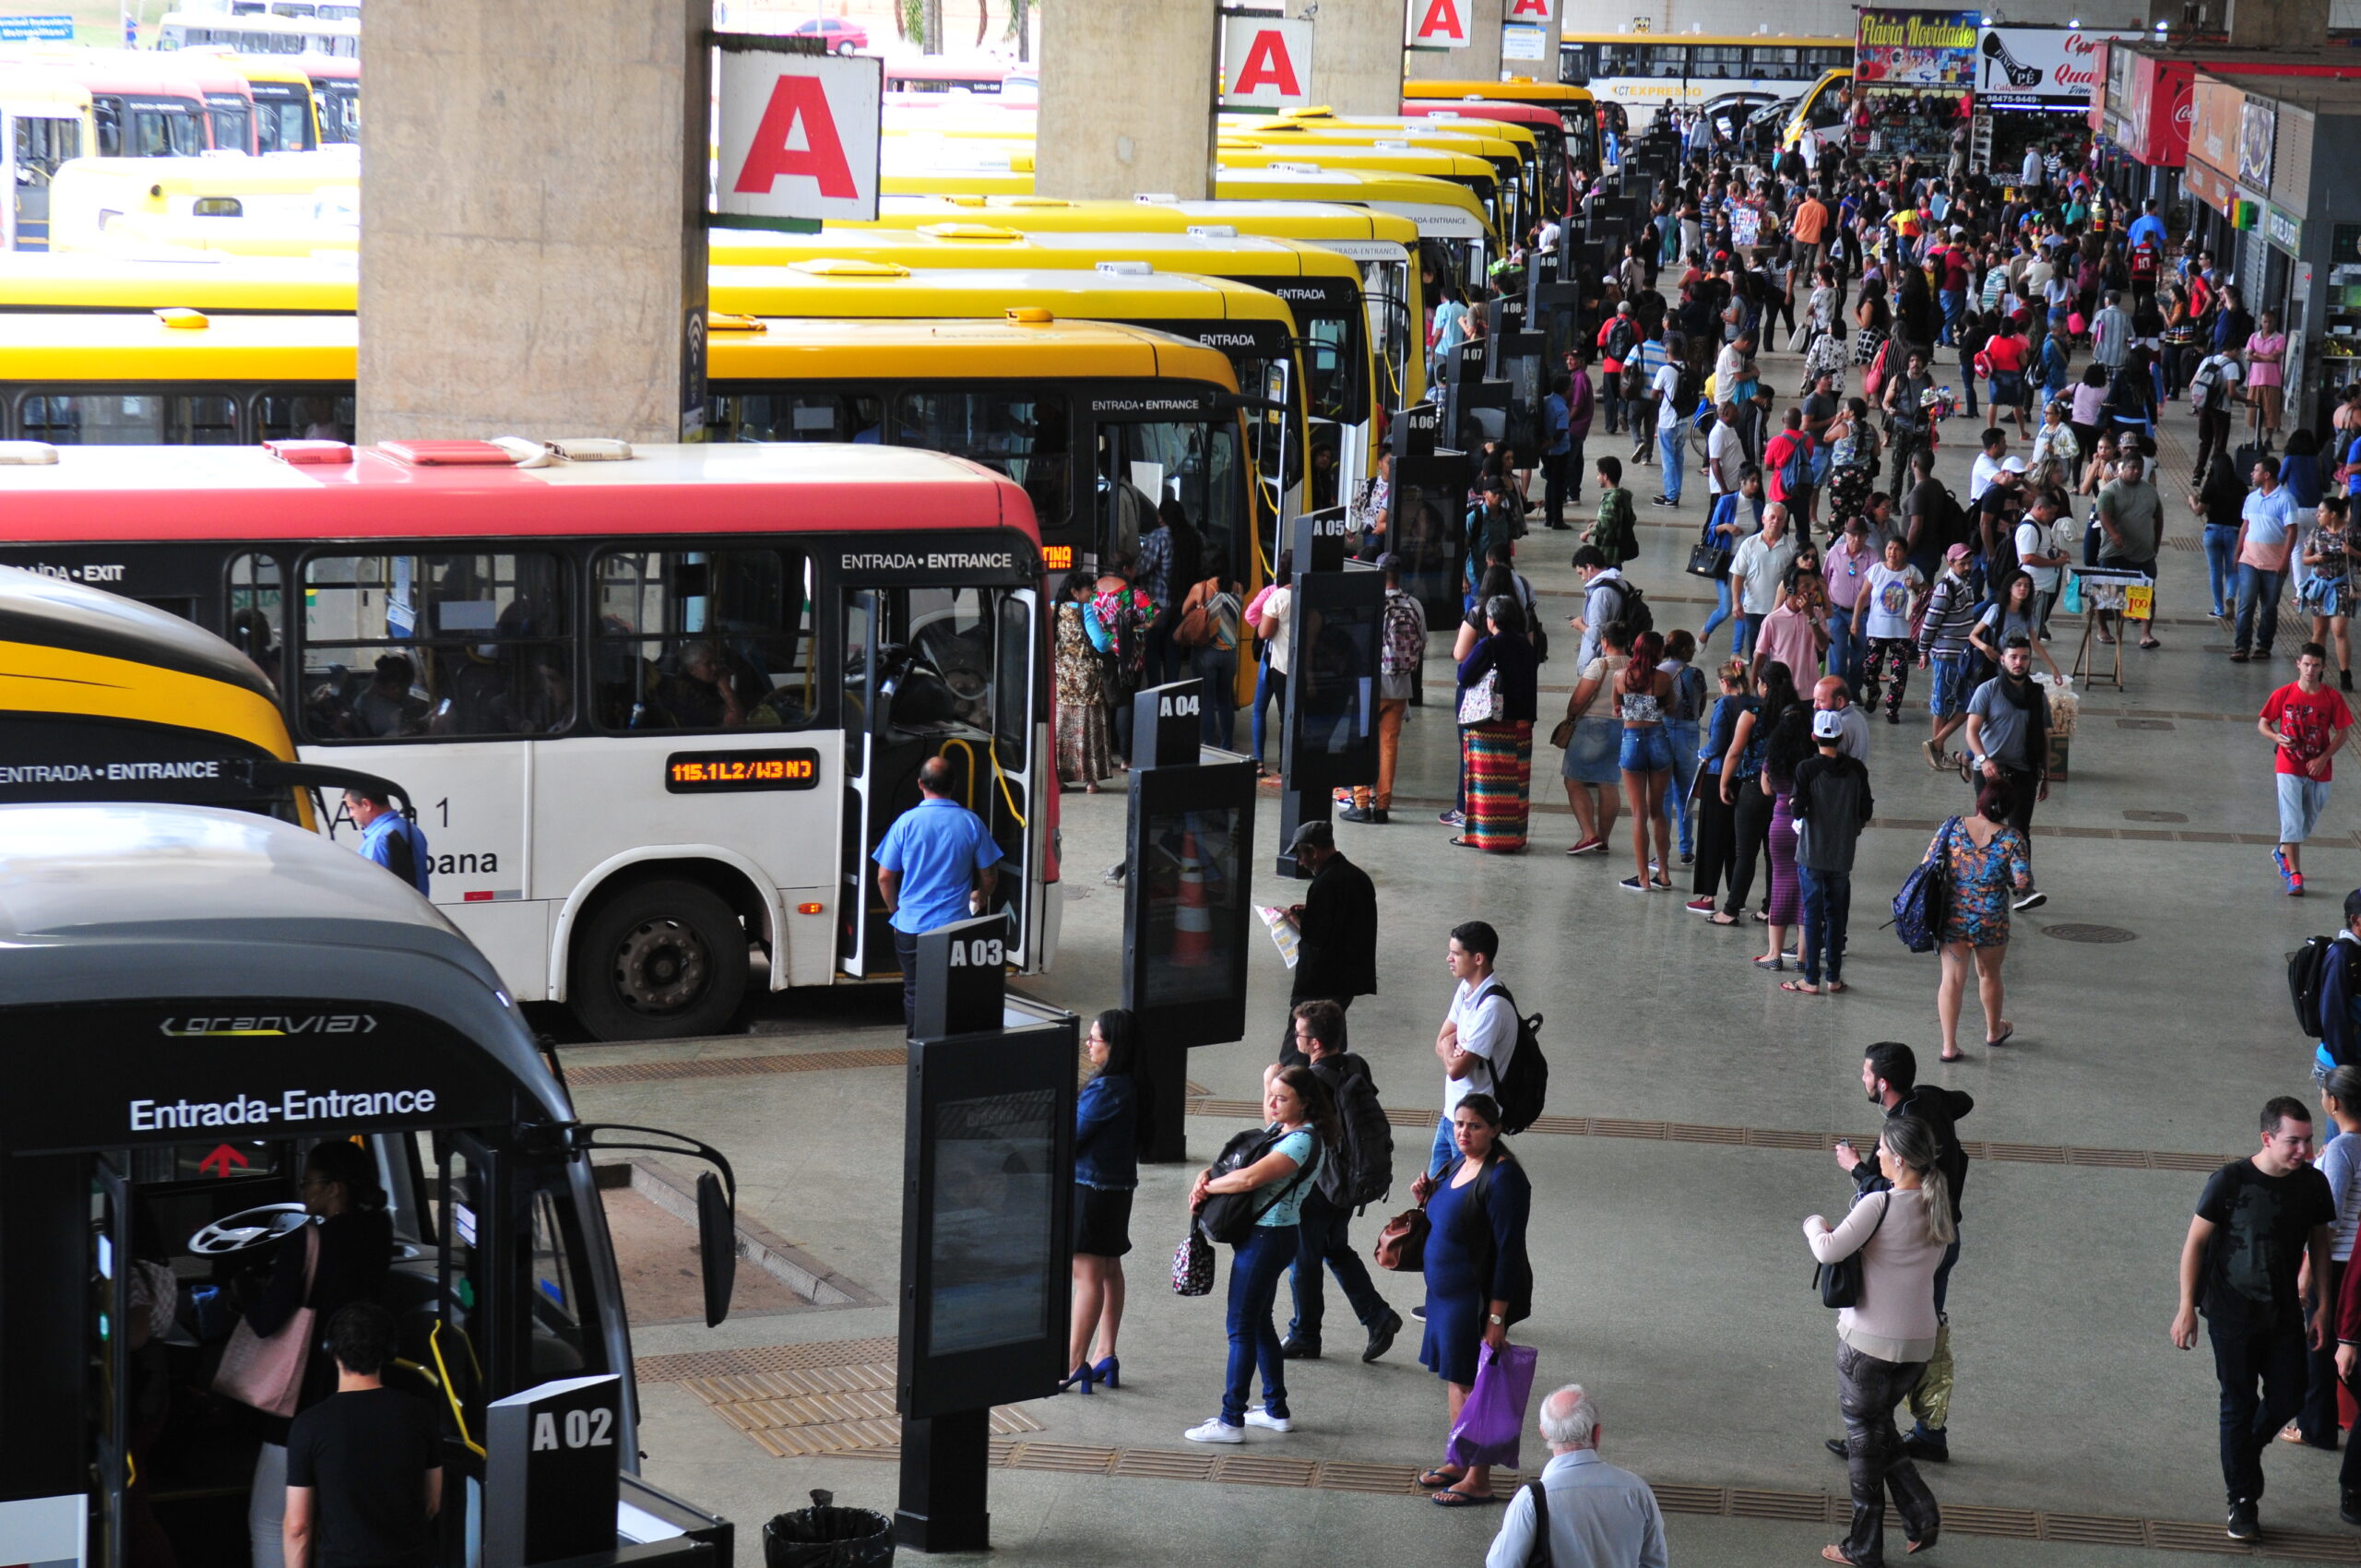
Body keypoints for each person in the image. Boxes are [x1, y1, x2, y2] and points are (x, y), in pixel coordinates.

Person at [2172, 1098, 2336, 1544]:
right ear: (2267, 1139)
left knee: (2289, 1396)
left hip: (2283, 1311)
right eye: (2293, 1142)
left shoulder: (2313, 1185)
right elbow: (2195, 1245)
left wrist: (2323, 1306)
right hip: (2231, 1314)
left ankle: (2246, 1450)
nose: (2304, 1150)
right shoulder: (2229, 1182)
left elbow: (2319, 1245)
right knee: (2238, 1402)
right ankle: (2242, 1502)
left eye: (2307, 1140)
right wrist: (2187, 1306)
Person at [1803, 1115, 1952, 1566]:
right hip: (1918, 1345)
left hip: (1867, 1346)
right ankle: (1921, 1515)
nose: (1877, 1156)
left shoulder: (1879, 1204)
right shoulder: (1938, 1207)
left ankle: (1864, 1546)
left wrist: (1813, 1223)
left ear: (1900, 1158)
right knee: (1879, 1427)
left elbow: (1828, 1249)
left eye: (1882, 1150)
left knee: (1864, 1440)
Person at [243, 1142, 395, 1568]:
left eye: (308, 1181)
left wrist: (243, 1287)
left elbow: (266, 1320)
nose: (303, 1189)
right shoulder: (379, 1230)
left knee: (273, 1522)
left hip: (299, 1396)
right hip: (354, 1389)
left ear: (335, 1188)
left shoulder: (307, 1241)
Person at [1833, 1041, 1976, 1465]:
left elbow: (1885, 1194)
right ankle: (1923, 1431)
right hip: (1944, 1235)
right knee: (1928, 1330)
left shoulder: (1897, 1139)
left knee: (1891, 1341)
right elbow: (1964, 1101)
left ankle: (1879, 1432)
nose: (1861, 1079)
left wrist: (1856, 1167)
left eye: (1865, 1073)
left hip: (1916, 1242)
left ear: (1882, 1083)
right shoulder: (1928, 1099)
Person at [1184, 1065, 1335, 1444]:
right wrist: (1208, 1175)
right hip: (1269, 1236)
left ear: (1306, 1103)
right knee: (1260, 1321)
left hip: (1268, 1238)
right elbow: (1246, 1160)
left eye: (1282, 1098)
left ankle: (1230, 1419)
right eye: (1272, 1095)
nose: (1272, 1103)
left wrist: (1208, 1187)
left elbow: (1250, 1178)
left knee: (1240, 1327)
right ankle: (1274, 1409)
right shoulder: (1282, 1129)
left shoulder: (1302, 1141)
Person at [1409, 1092, 1534, 1507]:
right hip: (1445, 1295)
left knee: (1476, 1386)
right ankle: (1459, 1460)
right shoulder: (1458, 1163)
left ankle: (1479, 1479)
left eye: (1475, 1126)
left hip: (1475, 1299)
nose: (1464, 1132)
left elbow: (1509, 1252)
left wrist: (1496, 1318)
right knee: (1457, 1378)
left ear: (1495, 1130)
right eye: (1459, 1124)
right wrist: (1425, 1196)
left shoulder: (1504, 1178)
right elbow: (1450, 1216)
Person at [1281, 1001, 1403, 1364]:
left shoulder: (1310, 1081)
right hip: (1352, 1179)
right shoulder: (1355, 1064)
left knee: (1303, 1259)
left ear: (1314, 1043)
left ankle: (1304, 1335)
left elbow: (1283, 1129)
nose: (1295, 1038)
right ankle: (1377, 1316)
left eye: (1299, 1033)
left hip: (1321, 1184)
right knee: (1334, 1249)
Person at [281, 1303, 441, 1568]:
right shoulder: (420, 1413)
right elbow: (432, 1503)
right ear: (389, 1351)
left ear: (329, 1349)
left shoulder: (309, 1425)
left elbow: (298, 1526)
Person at [873, 754, 1003, 1032]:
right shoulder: (971, 823)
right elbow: (990, 874)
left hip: (911, 925)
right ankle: (948, 1051)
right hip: (954, 927)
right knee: (953, 990)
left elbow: (885, 877)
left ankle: (919, 1051)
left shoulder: (905, 823)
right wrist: (980, 896)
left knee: (915, 991)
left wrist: (896, 914)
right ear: (954, 784)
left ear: (921, 784)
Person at [1483, 1384, 1669, 1568]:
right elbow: (1655, 1562)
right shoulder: (1637, 1490)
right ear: (1596, 1433)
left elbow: (1501, 1564)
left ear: (1544, 1432)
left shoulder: (1531, 1500)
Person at [1923, 779, 2034, 1062]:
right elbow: (2022, 881)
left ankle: (1949, 1046)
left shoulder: (1953, 826)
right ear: (2008, 809)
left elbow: (1927, 864)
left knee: (1951, 979)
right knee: (1989, 975)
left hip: (1953, 915)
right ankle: (1994, 1031)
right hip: (1991, 919)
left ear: (1979, 802)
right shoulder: (2013, 838)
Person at [1069, 1009, 1147, 1393]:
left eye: (1095, 1039)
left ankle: (1072, 1363)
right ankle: (1105, 1354)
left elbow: (1072, 1134)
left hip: (1091, 1189)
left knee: (1086, 1277)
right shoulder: (1135, 1082)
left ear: (1114, 1047)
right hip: (1118, 1189)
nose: (1088, 1044)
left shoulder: (1107, 1088)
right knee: (1109, 1269)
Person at [2292, 1065, 2361, 1451]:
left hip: (2335, 1262)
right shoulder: (2341, 1150)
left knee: (2320, 1343)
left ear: (2333, 1102)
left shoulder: (2341, 1149)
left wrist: (2306, 1269)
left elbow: (2328, 1218)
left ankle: (2315, 1427)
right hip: (2359, 1259)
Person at [1962, 635, 2053, 910]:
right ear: (2002, 659)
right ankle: (1984, 884)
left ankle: (2022, 888)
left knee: (2020, 831)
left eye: (2024, 657)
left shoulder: (2037, 695)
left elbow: (2045, 737)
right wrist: (1983, 759)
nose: (2019, 662)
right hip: (1990, 772)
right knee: (1989, 827)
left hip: (2025, 771)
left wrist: (2046, 774)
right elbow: (1971, 731)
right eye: (2013, 657)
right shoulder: (1987, 690)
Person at [1786, 708, 1873, 995]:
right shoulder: (1857, 770)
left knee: (1812, 914)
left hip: (1812, 852)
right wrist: (1852, 829)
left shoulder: (1806, 769)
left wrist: (1794, 807)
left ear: (1814, 737)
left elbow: (1798, 809)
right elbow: (1866, 810)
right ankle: (1833, 977)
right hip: (1842, 853)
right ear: (1841, 736)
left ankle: (1810, 979)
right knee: (1836, 915)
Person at [2259, 644, 2355, 898]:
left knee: (2306, 820)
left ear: (2323, 668)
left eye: (2315, 665)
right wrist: (2277, 739)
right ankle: (2295, 874)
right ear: (2298, 664)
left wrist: (2324, 757)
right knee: (2291, 819)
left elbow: (2343, 732)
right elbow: (2264, 723)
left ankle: (2282, 850)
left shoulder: (2332, 698)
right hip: (2288, 764)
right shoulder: (2284, 694)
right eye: (2306, 664)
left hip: (2319, 767)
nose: (2310, 670)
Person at [1430, 921, 1516, 1179]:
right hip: (1451, 1116)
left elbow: (1457, 1070)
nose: (1449, 958)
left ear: (1478, 958)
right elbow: (1440, 1040)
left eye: (1456, 954)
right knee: (1432, 1198)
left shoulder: (1492, 1007)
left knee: (1462, 1201)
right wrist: (1449, 1044)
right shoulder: (1467, 989)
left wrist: (1449, 1045)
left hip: (1474, 1124)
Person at [1456, 595, 1540, 853]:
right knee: (1515, 783)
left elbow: (1465, 675)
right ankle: (1513, 837)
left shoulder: (1489, 646)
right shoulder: (1527, 646)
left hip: (1490, 726)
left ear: (1492, 620)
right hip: (1521, 727)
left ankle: (1484, 837)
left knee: (1486, 784)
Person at [1346, 555, 1425, 825]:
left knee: (1360, 742)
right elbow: (1422, 642)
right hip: (1400, 687)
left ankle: (1360, 803)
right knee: (1389, 746)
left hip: (1370, 685)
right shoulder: (1413, 604)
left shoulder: (1372, 604)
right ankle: (1382, 806)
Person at [1914, 545, 1982, 770]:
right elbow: (1931, 622)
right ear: (1950, 563)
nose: (1967, 567)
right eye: (1962, 563)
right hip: (1946, 655)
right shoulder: (1946, 589)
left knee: (1968, 703)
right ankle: (1938, 755)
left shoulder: (1965, 584)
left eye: (1969, 563)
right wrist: (1923, 650)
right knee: (1942, 705)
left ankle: (1936, 743)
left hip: (1961, 655)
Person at [2235, 454, 2299, 664]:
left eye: (2256, 470)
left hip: (2274, 563)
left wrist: (2284, 560)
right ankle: (2242, 645)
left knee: (2269, 606)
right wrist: (2238, 553)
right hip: (2249, 560)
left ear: (2267, 474)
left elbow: (2291, 531)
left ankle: (2264, 644)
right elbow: (2245, 526)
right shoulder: (2251, 498)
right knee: (2246, 602)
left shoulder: (2286, 500)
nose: (2252, 474)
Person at [1053, 568, 1114, 791]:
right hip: (1086, 680)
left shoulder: (1053, 608)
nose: (1092, 594)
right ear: (1075, 591)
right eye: (1089, 590)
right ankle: (1090, 781)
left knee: (1063, 728)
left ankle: (1059, 779)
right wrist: (1111, 640)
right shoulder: (1085, 610)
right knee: (1088, 726)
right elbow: (1100, 643)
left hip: (1061, 679)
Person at [1856, 533, 1925, 725]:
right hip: (1876, 630)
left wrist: (1916, 586)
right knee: (1869, 669)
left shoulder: (1911, 571)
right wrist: (1855, 621)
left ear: (1904, 553)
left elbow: (1927, 592)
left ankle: (1892, 708)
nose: (1892, 552)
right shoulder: (1876, 570)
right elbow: (1863, 596)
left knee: (1899, 673)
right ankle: (1873, 691)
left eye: (1897, 549)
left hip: (1901, 632)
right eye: (1889, 548)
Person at [2097, 451, 2164, 649]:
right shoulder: (2110, 490)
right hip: (2114, 552)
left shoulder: (2150, 491)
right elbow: (2103, 514)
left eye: (2139, 469)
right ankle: (2103, 629)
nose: (2136, 472)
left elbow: (2158, 517)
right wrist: (2115, 534)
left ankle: (2146, 634)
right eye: (2132, 468)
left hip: (2143, 552)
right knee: (2106, 593)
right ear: (2122, 469)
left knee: (2144, 593)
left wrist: (2156, 543)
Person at [1177, 556, 1243, 749]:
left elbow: (1183, 611)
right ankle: (1227, 745)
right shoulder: (1238, 587)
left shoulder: (1202, 588)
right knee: (1225, 701)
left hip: (1207, 652)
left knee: (1206, 701)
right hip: (1230, 653)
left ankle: (1207, 746)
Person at [1730, 502, 1799, 658]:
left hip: (1781, 611)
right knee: (1756, 655)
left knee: (1778, 656)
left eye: (1780, 519)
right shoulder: (1749, 544)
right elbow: (1738, 575)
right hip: (1753, 610)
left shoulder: (1792, 546)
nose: (1775, 521)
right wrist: (1736, 602)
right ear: (1763, 519)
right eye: (1772, 517)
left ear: (1785, 522)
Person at [2304, 495, 2355, 692]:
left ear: (2333, 515)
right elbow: (2304, 558)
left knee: (2339, 630)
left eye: (2321, 512)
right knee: (2319, 631)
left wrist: (2352, 552)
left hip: (2341, 586)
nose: (2318, 515)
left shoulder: (2351, 533)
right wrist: (2316, 557)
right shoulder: (2317, 532)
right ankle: (2315, 669)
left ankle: (2345, 672)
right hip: (2320, 587)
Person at [340, 789, 430, 897]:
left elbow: (369, 892)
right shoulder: (412, 829)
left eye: (351, 808)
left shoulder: (377, 840)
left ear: (366, 804)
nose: (351, 815)